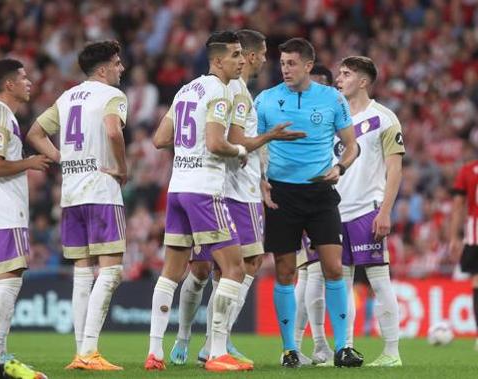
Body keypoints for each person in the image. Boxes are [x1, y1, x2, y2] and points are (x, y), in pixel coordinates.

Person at [169, 29, 305, 367]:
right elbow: (234, 140)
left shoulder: (208, 88)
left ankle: (186, 340)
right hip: (234, 191)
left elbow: (171, 135)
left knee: (203, 268)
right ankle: (217, 341)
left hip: (211, 185)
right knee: (244, 264)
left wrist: (258, 176)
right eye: (260, 56)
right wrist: (267, 138)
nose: (260, 62)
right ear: (252, 55)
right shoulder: (238, 93)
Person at [145, 31, 252, 372]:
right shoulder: (221, 92)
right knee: (235, 267)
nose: (242, 60)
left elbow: (160, 138)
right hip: (205, 190)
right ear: (218, 60)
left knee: (172, 271)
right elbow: (217, 142)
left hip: (177, 189)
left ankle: (154, 353)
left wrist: (187, 154)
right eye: (236, 55)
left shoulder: (186, 89)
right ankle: (217, 352)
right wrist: (240, 150)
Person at [255, 37, 362, 368]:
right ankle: (289, 349)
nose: (284, 69)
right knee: (285, 272)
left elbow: (351, 145)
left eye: (291, 63)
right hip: (281, 193)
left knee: (333, 268)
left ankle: (343, 346)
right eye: (282, 63)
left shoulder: (332, 99)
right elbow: (255, 145)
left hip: (320, 192)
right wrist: (261, 181)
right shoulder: (266, 100)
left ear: (307, 66)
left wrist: (340, 167)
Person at [26, 40, 128, 371]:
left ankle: (81, 352)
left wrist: (61, 157)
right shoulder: (113, 96)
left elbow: (35, 132)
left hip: (70, 194)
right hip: (101, 189)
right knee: (110, 270)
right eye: (117, 63)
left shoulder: (67, 96)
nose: (121, 68)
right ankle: (90, 351)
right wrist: (123, 169)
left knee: (82, 273)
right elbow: (113, 131)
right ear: (103, 69)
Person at [0, 58, 51, 362]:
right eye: (23, 77)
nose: (29, 81)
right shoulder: (0, 118)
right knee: (10, 279)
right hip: (2, 210)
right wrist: (30, 163)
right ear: (9, 85)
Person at [335, 56, 404, 366]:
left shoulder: (384, 118)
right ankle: (345, 348)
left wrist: (385, 211)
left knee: (379, 280)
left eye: (346, 74)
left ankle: (391, 352)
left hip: (367, 209)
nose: (339, 78)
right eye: (340, 72)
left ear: (362, 81)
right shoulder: (335, 118)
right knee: (342, 283)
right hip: (336, 212)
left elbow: (395, 169)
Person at [292, 65, 335, 365]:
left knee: (307, 273)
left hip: (323, 203)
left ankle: (295, 347)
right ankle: (316, 344)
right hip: (309, 201)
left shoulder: (331, 116)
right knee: (313, 271)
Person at [449, 158, 478, 352]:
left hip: (475, 235)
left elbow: (458, 205)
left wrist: (454, 236)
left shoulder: (468, 170)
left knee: (477, 282)